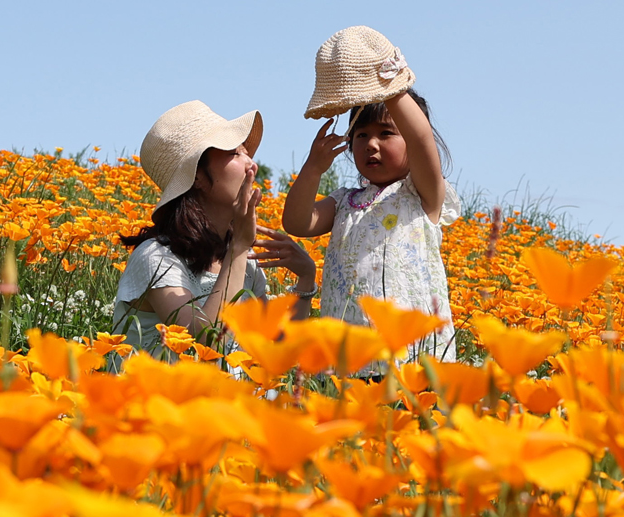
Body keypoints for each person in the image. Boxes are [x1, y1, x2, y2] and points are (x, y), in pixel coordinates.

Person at [282, 26, 458, 361]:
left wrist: (387, 86)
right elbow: (297, 222)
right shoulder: (344, 202)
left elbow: (421, 138)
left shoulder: (422, 196)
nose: (371, 145)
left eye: (386, 133)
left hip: (413, 358)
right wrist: (313, 168)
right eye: (361, 135)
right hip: (350, 357)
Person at [112, 101, 317, 358]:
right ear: (196, 176)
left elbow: (275, 348)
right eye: (234, 153)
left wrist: (306, 279)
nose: (252, 165)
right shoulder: (156, 258)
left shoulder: (245, 262)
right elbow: (202, 343)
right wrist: (239, 247)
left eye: (246, 153)